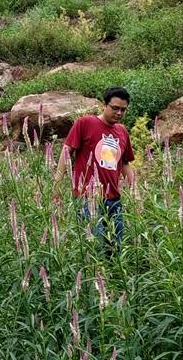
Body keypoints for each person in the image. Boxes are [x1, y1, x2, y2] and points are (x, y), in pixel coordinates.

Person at [54, 87, 135, 252]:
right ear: (104, 105)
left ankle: (112, 278)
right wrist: (57, 183)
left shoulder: (122, 132)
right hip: (88, 198)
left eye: (123, 110)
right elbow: (66, 152)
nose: (119, 113)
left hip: (114, 200)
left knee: (116, 248)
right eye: (115, 108)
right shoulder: (85, 123)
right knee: (94, 248)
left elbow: (125, 163)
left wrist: (136, 192)